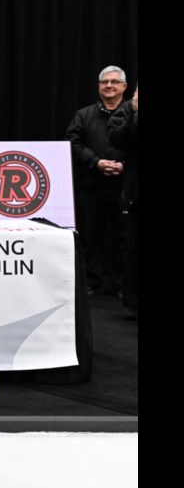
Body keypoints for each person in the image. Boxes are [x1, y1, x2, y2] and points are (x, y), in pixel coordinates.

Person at [65, 65, 128, 296]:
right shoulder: (84, 115)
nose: (109, 86)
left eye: (114, 82)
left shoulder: (134, 114)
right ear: (99, 87)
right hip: (91, 186)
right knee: (90, 236)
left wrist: (125, 165)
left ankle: (125, 285)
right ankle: (91, 282)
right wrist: (97, 162)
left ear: (124, 87)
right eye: (104, 82)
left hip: (126, 188)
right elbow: (73, 142)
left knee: (126, 239)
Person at [108, 84, 137, 318]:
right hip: (135, 191)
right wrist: (135, 113)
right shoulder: (128, 110)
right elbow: (118, 139)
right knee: (133, 248)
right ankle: (133, 303)